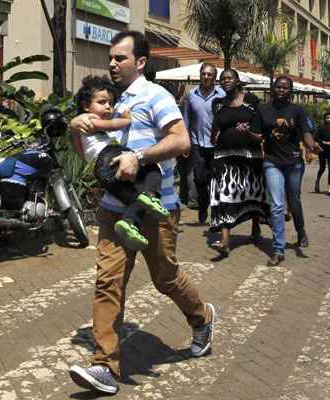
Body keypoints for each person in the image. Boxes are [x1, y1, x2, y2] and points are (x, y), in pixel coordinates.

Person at [67, 31, 215, 395]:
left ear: (141, 62)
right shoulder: (109, 101)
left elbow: (182, 141)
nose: (112, 63)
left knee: (165, 279)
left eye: (120, 58)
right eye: (111, 58)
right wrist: (75, 127)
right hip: (113, 210)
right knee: (108, 282)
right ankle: (104, 365)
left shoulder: (155, 96)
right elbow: (87, 149)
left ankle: (202, 318)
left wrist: (140, 156)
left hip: (156, 208)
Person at [73, 75, 170, 251]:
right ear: (86, 106)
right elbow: (112, 125)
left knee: (135, 198)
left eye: (110, 103)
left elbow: (80, 151)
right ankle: (153, 195)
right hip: (109, 157)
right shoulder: (88, 119)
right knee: (152, 166)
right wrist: (126, 120)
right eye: (102, 102)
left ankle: (129, 223)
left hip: (101, 172)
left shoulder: (80, 127)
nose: (108, 107)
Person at [251, 76, 321, 266]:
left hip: (293, 162)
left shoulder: (297, 110)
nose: (281, 90)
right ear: (273, 89)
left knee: (295, 199)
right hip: (272, 162)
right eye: (278, 87)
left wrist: (311, 145)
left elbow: (305, 132)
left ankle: (301, 231)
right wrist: (243, 132)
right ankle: (278, 249)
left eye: (285, 87)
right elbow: (257, 133)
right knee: (277, 205)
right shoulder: (263, 109)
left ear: (290, 91)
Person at [208, 69, 268, 257]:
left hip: (250, 157)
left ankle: (255, 226)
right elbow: (216, 127)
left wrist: (250, 130)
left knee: (252, 195)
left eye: (229, 78)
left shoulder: (251, 100)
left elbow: (259, 125)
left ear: (237, 80)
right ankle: (225, 241)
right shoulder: (218, 104)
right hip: (224, 156)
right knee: (223, 194)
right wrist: (214, 135)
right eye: (223, 79)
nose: (226, 81)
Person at [182, 63, 226, 223]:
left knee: (216, 179)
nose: (206, 77)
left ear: (214, 78)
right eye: (204, 74)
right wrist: (185, 142)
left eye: (210, 74)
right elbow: (186, 119)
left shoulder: (222, 95)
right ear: (200, 75)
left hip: (217, 145)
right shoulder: (191, 95)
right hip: (197, 144)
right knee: (200, 180)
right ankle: (202, 205)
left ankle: (215, 211)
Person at [314, 111, 330, 196]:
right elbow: (316, 138)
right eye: (327, 117)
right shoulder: (321, 127)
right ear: (324, 118)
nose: (328, 119)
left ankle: (329, 188)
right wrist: (325, 142)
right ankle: (317, 180)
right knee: (322, 168)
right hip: (322, 150)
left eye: (329, 117)